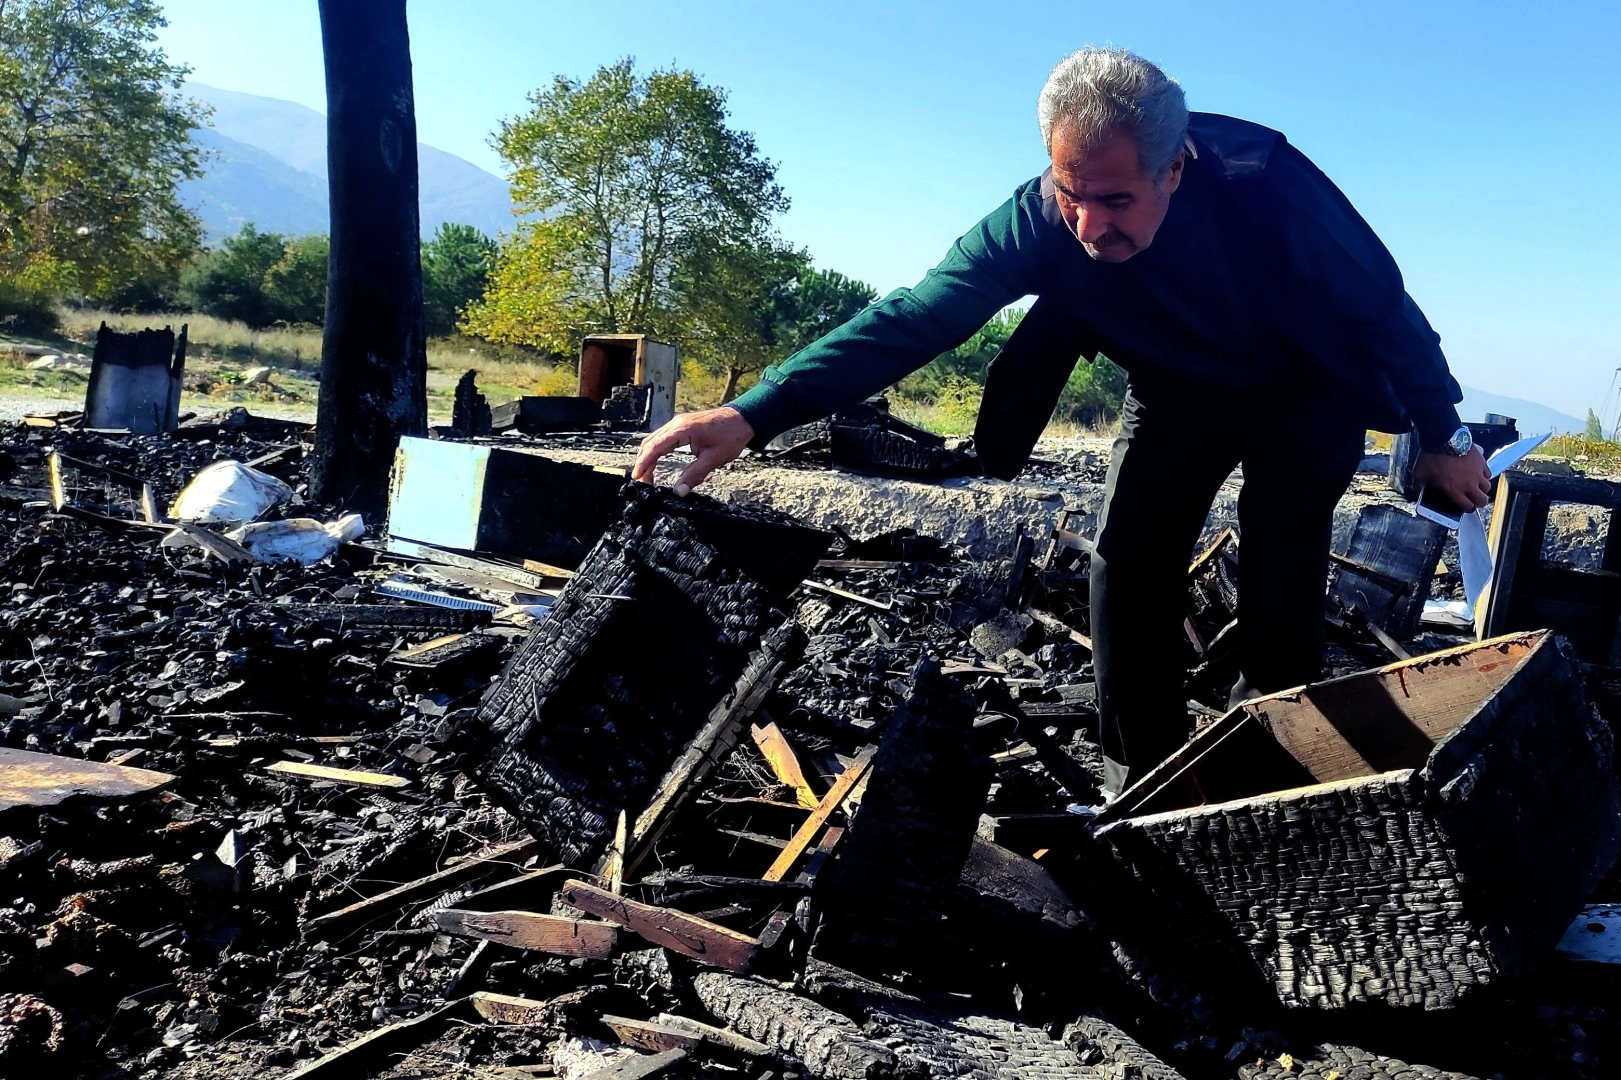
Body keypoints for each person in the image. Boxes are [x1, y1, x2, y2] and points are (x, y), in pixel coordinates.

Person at [633, 47, 1490, 796]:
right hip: (1175, 392)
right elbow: (916, 317)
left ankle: (1269, 779)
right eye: (1070, 193)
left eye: (1113, 200)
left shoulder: (1261, 180)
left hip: (1307, 391)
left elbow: (1382, 307)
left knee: (1280, 582)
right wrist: (755, 411)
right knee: (1125, 568)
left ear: (1173, 170)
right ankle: (1142, 780)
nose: (1088, 226)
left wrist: (1442, 438)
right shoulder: (1040, 219)